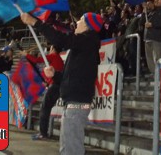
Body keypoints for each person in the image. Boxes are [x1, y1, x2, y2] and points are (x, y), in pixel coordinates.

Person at [20, 11, 102, 155]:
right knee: (67, 146)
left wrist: (36, 23)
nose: (77, 22)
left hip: (76, 105)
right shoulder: (84, 46)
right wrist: (55, 75)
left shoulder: (87, 41)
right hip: (72, 104)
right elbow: (70, 77)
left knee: (71, 149)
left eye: (81, 20)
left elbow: (61, 40)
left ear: (89, 26)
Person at [21, 45, 64, 140]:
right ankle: (43, 132)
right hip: (56, 86)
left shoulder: (54, 56)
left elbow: (37, 60)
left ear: (54, 49)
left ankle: (43, 133)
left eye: (51, 48)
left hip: (55, 87)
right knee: (46, 109)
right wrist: (47, 83)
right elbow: (55, 75)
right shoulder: (59, 60)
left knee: (45, 108)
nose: (49, 50)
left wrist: (26, 55)